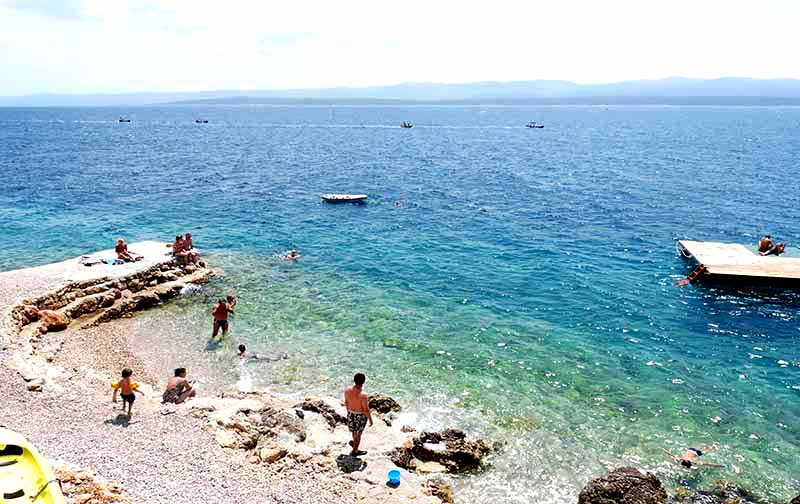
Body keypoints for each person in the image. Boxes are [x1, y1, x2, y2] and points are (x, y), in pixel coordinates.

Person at [344, 372, 373, 457]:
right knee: (359, 434)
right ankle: (355, 451)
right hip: (360, 416)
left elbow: (346, 402)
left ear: (354, 380)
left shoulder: (347, 390)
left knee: (354, 431)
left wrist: (349, 412)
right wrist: (370, 420)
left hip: (350, 413)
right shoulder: (363, 395)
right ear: (363, 382)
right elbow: (365, 409)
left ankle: (354, 443)